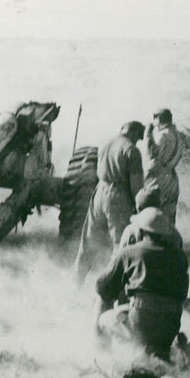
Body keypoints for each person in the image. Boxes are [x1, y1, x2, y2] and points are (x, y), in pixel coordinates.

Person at [92, 207, 190, 361]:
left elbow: (102, 287)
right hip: (170, 328)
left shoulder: (130, 253)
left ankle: (102, 353)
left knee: (103, 307)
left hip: (142, 325)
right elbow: (182, 294)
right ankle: (158, 352)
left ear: (142, 231)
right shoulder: (180, 257)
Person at [74, 121, 145, 284]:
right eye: (138, 137)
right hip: (118, 197)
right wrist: (140, 210)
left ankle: (76, 285)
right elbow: (137, 188)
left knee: (87, 244)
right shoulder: (132, 150)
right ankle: (110, 291)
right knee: (121, 246)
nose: (137, 141)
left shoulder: (106, 142)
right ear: (134, 133)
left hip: (99, 192)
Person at [144, 108, 190, 224]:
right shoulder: (180, 136)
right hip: (172, 179)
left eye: (154, 119)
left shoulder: (161, 136)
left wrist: (148, 135)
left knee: (151, 214)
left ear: (159, 119)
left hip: (157, 179)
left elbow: (151, 156)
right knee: (169, 216)